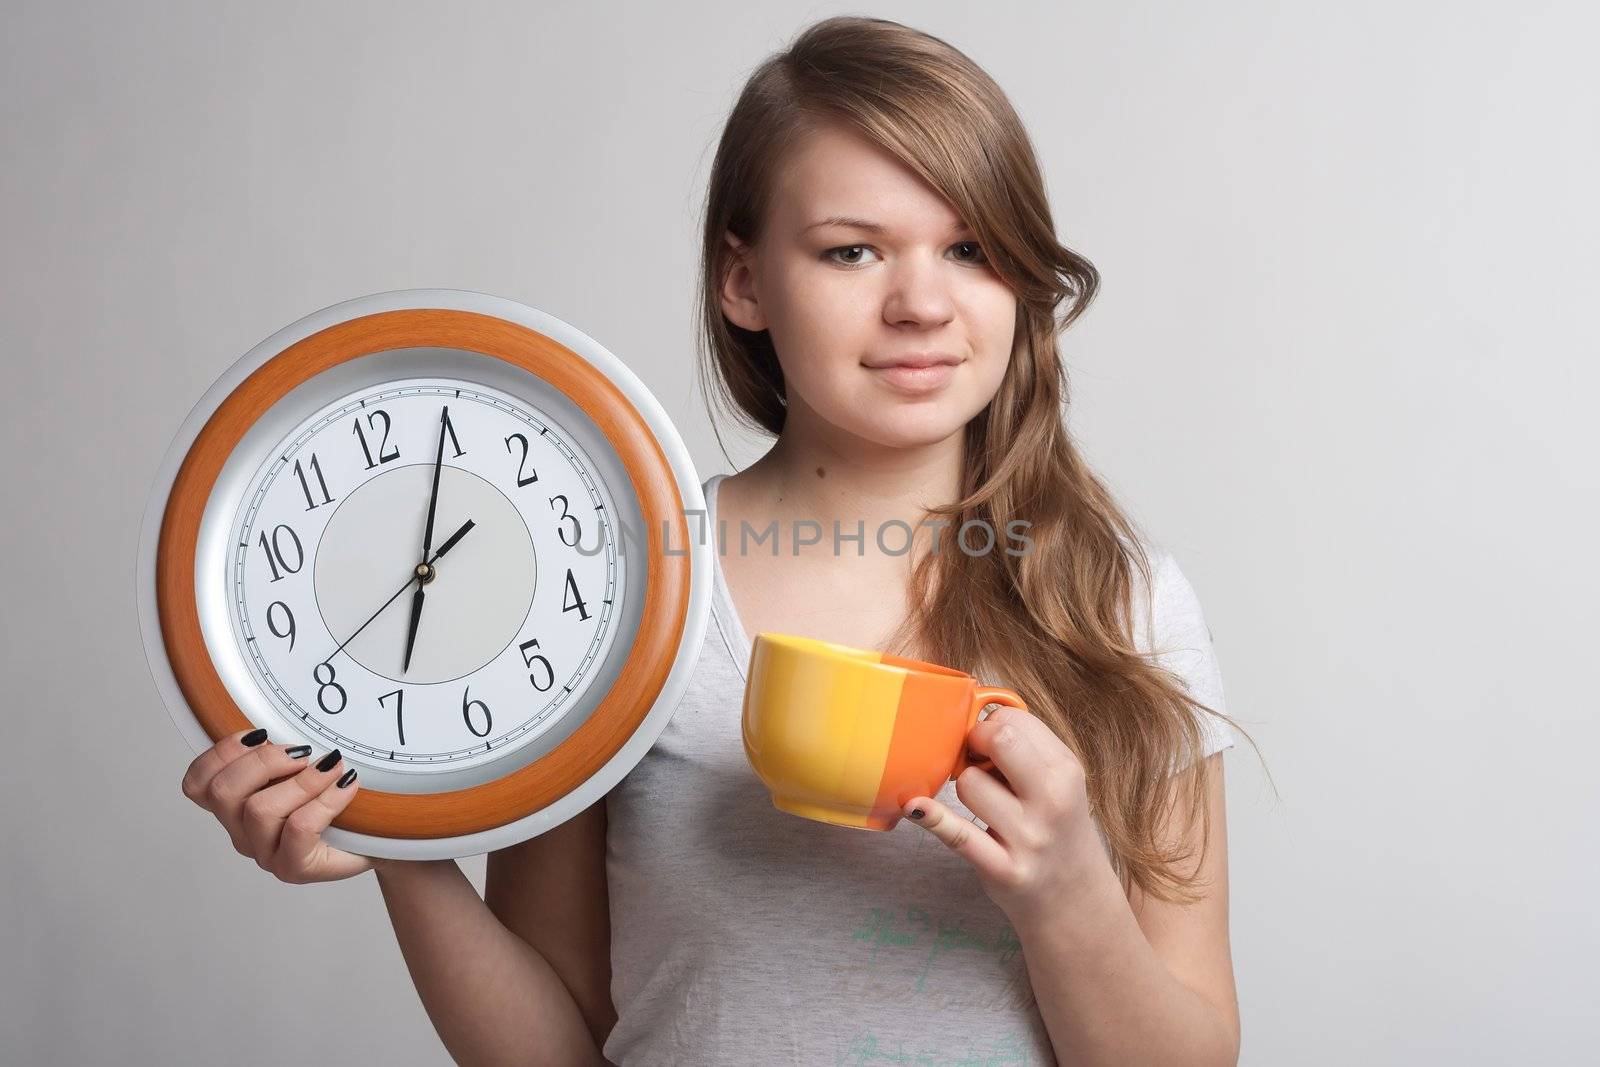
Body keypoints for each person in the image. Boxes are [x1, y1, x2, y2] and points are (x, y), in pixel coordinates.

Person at [179, 15, 1263, 1066]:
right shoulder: (623, 595)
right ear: (743, 281)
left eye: (970, 247)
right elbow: (555, 1048)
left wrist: (1065, 887)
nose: (922, 303)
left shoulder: (1118, 603)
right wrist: (393, 840)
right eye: (851, 251)